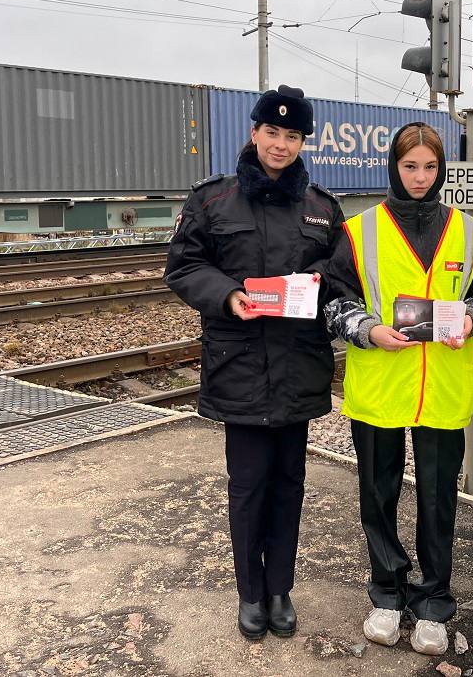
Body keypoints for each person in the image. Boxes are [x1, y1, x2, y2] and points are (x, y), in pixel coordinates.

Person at [163, 85, 344, 642]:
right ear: (254, 132)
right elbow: (183, 265)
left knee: (290, 484)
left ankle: (280, 589)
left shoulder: (320, 208)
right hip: (238, 365)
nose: (281, 144)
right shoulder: (212, 201)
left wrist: (319, 284)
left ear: (302, 141)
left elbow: (339, 277)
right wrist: (226, 295)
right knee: (247, 487)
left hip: (297, 366)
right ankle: (249, 593)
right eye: (272, 132)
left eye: (292, 136)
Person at [325, 122, 473, 656]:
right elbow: (335, 300)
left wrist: (472, 319)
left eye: (430, 166)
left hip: (443, 388)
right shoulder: (360, 231)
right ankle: (386, 591)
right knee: (377, 496)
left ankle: (433, 601)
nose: (421, 177)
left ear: (442, 167)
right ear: (394, 168)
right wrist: (368, 330)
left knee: (437, 498)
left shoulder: (470, 233)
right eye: (410, 166)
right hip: (382, 382)